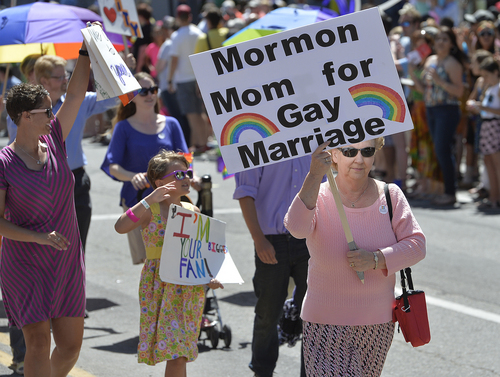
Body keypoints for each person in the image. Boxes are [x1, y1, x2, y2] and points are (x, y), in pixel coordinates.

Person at [284, 139, 426, 376]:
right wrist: (313, 174)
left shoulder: (391, 195)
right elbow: (296, 228)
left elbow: (417, 245)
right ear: (334, 155)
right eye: (350, 152)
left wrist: (376, 259)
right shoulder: (317, 195)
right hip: (324, 324)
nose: (359, 159)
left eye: (367, 151)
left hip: (376, 324)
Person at [0, 38, 91, 377]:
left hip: (66, 257)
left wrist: (85, 50)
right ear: (25, 117)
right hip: (25, 261)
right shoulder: (3, 163)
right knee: (37, 343)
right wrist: (38, 238)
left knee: (70, 347)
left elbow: (78, 95)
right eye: (47, 110)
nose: (54, 114)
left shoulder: (53, 139)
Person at [114, 150, 223, 376]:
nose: (186, 178)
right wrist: (148, 199)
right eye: (178, 174)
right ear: (159, 182)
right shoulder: (149, 211)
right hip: (160, 285)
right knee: (174, 353)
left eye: (187, 173)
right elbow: (121, 226)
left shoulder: (192, 210)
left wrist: (210, 276)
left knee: (181, 353)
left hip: (189, 288)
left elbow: (200, 251)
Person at [7, 55, 121, 251]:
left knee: (76, 247)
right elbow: (17, 152)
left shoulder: (74, 109)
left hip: (74, 178)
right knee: (44, 249)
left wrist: (116, 67)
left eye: (66, 75)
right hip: (39, 186)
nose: (65, 80)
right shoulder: (20, 122)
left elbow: (114, 96)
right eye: (59, 77)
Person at [233, 157, 315, 377]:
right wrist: (258, 239)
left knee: (313, 313)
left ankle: (311, 372)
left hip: (310, 239)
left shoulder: (312, 137)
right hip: (271, 240)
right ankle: (262, 371)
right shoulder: (256, 142)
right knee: (267, 312)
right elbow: (245, 192)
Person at [101, 72, 188, 264]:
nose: (150, 95)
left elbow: (186, 159)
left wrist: (193, 177)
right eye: (143, 91)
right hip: (137, 199)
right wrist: (133, 177)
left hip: (171, 199)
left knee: (177, 256)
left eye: (153, 90)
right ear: (131, 96)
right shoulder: (123, 127)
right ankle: (151, 294)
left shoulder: (171, 123)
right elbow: (112, 166)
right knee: (149, 259)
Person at [417, 27, 466, 206]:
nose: (440, 43)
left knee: (443, 150)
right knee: (438, 150)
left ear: (451, 43)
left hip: (447, 110)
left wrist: (439, 80)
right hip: (431, 108)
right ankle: (441, 189)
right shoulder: (430, 60)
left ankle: (450, 192)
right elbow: (426, 88)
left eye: (445, 39)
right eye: (438, 39)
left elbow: (459, 91)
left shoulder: (453, 63)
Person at [168, 4, 212, 153]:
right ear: (190, 16)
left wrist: (169, 79)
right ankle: (204, 142)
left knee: (192, 115)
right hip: (199, 77)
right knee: (201, 113)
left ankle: (200, 145)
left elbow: (174, 60)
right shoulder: (198, 32)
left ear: (178, 18)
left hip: (184, 79)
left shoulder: (177, 35)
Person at [466, 57, 500, 209]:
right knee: (488, 163)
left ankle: (497, 197)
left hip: (494, 126)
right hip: (486, 126)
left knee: (496, 164)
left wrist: (482, 107)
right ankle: (493, 197)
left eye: (486, 75)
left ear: (496, 72)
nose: (483, 78)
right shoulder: (489, 88)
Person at [156, 16, 191, 145]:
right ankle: (184, 143)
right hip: (178, 83)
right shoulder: (179, 41)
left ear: (166, 30)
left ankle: (182, 145)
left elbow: (159, 67)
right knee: (182, 116)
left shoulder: (168, 44)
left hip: (168, 85)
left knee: (177, 117)